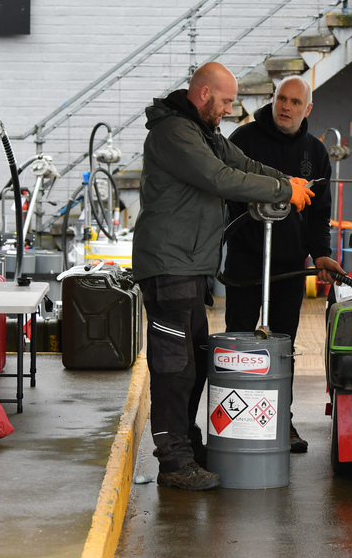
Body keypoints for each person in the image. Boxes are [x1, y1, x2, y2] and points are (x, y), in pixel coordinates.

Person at [132, 62, 315, 491]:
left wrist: (287, 180)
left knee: (194, 365)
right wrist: (282, 191)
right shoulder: (174, 133)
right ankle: (173, 461)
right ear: (204, 94)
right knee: (175, 369)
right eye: (227, 101)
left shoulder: (205, 133)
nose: (231, 110)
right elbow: (220, 178)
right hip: (169, 267)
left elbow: (242, 162)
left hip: (190, 267)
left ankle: (187, 446)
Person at [223, 75, 345, 454]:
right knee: (239, 341)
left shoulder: (315, 152)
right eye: (281, 99)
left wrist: (319, 252)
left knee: (283, 345)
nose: (286, 107)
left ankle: (280, 421)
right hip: (246, 261)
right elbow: (226, 193)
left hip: (290, 264)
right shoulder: (243, 140)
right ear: (273, 99)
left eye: (295, 102)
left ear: (307, 109)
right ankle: (234, 422)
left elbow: (319, 212)